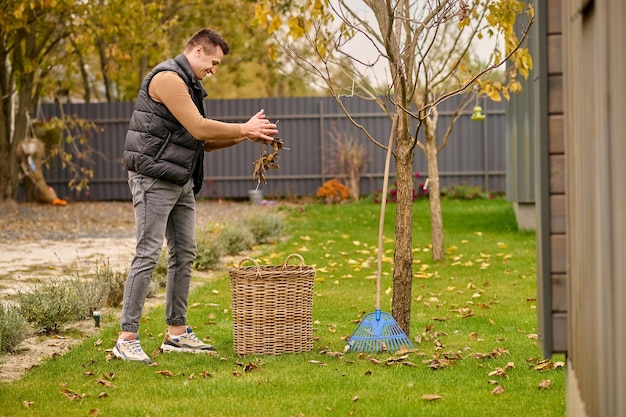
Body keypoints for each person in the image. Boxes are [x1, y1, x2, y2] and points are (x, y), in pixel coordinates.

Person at [114, 28, 278, 364]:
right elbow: (200, 127)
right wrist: (244, 128)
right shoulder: (168, 79)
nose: (215, 69)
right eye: (214, 62)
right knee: (147, 254)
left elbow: (199, 141)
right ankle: (126, 338)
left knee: (185, 253)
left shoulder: (190, 85)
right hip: (153, 177)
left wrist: (245, 136)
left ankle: (176, 333)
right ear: (198, 50)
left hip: (180, 180)